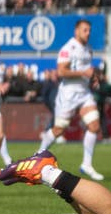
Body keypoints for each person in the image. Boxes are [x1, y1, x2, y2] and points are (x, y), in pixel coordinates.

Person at [38, 19, 104, 180]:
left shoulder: (88, 49)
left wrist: (93, 78)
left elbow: (86, 71)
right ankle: (38, 155)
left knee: (94, 125)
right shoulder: (68, 48)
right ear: (76, 31)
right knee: (59, 129)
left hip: (84, 93)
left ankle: (86, 165)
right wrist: (83, 73)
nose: (88, 33)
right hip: (68, 94)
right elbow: (61, 72)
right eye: (84, 30)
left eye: (89, 30)